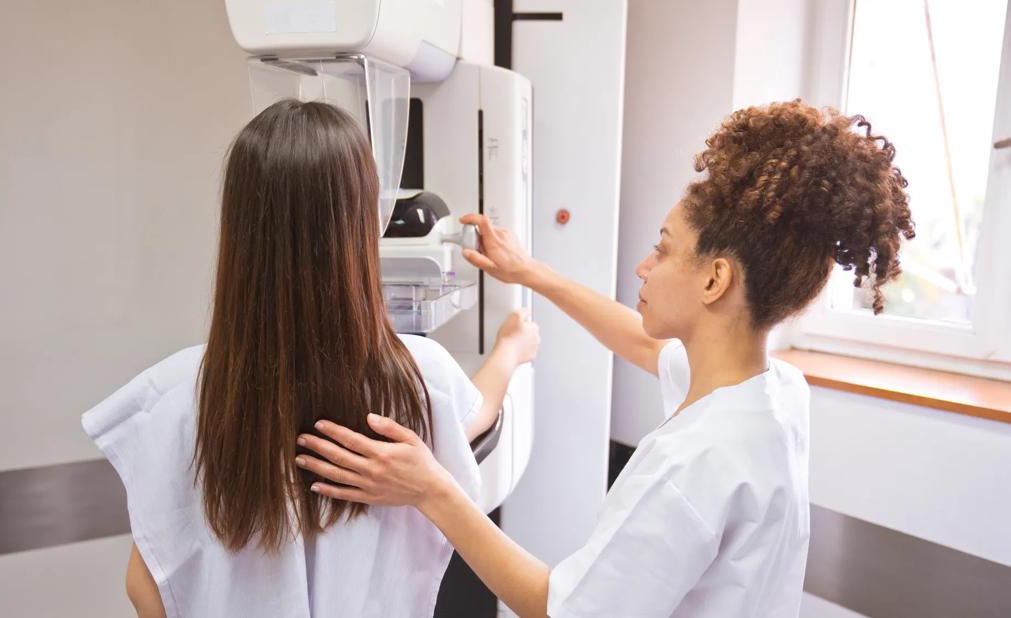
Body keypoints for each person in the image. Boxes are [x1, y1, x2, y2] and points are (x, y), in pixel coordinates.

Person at [295, 100, 916, 617]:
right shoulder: (775, 392)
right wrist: (530, 273)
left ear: (715, 280)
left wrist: (434, 489)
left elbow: (560, 609)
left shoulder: (692, 464)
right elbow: (645, 342)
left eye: (663, 250)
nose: (644, 266)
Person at [81, 99, 540, 618]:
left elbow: (146, 588)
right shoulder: (418, 375)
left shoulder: (175, 394)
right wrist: (511, 349)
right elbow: (475, 414)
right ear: (359, 225)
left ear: (239, 229)